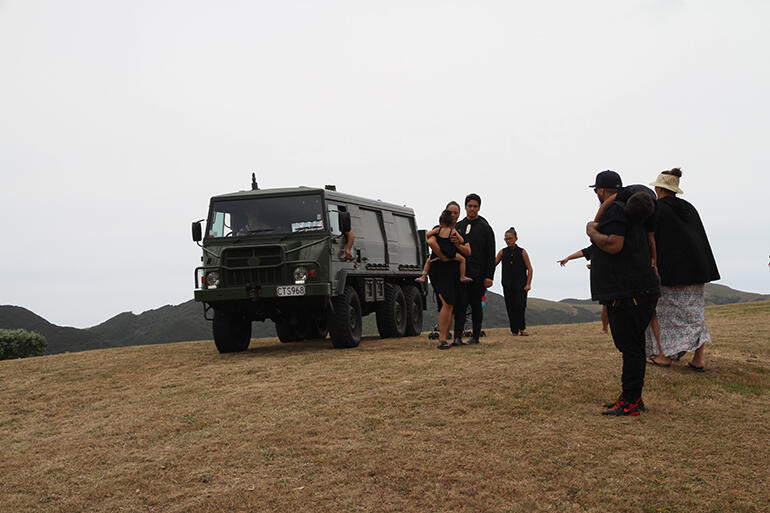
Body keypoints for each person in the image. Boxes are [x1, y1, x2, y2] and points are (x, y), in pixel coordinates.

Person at [586, 170, 660, 417]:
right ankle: (631, 396)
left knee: (630, 347)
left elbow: (614, 244)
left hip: (630, 292)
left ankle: (630, 401)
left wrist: (591, 230)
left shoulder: (616, 210)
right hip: (637, 289)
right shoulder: (629, 211)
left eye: (597, 190)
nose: (596, 194)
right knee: (632, 346)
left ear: (602, 191)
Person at [644, 168, 720, 370]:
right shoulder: (689, 208)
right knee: (695, 314)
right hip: (697, 270)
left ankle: (663, 355)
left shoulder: (657, 208)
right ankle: (698, 359)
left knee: (660, 312)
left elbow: (651, 239)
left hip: (670, 272)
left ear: (659, 189)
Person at [452, 193, 496, 345]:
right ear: (465, 207)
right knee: (460, 305)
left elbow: (491, 254)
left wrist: (489, 276)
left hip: (479, 274)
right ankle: (457, 336)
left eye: (475, 206)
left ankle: (475, 336)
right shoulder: (458, 227)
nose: (472, 209)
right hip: (461, 273)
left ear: (479, 208)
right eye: (469, 206)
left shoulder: (486, 228)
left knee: (476, 305)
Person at [427, 209, 470, 349]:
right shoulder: (443, 230)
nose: (454, 215)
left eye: (456, 212)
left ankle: (445, 336)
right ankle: (442, 338)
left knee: (450, 305)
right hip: (440, 269)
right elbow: (431, 242)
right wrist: (444, 256)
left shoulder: (446, 231)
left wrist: (457, 244)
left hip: (452, 270)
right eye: (452, 213)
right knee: (447, 303)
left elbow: (467, 250)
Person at [557, 245, 609, 334]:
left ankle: (607, 329)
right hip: (603, 281)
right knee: (606, 305)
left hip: (615, 279)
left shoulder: (611, 246)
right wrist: (568, 258)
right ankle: (605, 329)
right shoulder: (596, 247)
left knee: (611, 305)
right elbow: (583, 252)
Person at [496, 227, 533, 336]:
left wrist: (528, 284)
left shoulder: (522, 252)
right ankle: (514, 331)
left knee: (520, 306)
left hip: (521, 284)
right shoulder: (502, 252)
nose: (508, 241)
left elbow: (529, 268)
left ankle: (522, 328)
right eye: (506, 239)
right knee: (510, 307)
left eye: (510, 238)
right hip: (507, 284)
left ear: (516, 238)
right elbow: (493, 264)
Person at [416, 218, 473, 283]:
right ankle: (462, 276)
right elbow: (462, 240)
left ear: (440, 223)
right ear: (451, 224)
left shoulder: (438, 230)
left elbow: (426, 235)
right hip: (450, 252)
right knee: (462, 259)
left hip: (440, 251)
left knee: (428, 261)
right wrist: (457, 242)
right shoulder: (452, 230)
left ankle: (423, 277)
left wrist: (435, 233)